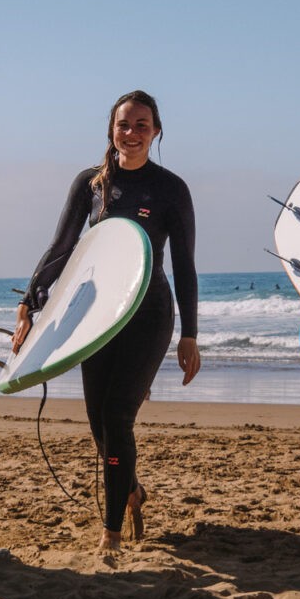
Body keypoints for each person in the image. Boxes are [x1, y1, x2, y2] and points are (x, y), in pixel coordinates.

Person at [11, 90, 201, 558]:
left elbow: (185, 266)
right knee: (99, 423)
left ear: (156, 132)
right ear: (110, 130)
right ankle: (131, 490)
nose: (131, 133)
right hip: (94, 318)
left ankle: (111, 531)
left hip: (148, 314)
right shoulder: (90, 184)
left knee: (117, 417)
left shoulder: (171, 189)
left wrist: (190, 334)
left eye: (141, 125)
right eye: (123, 124)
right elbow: (61, 249)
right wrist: (30, 304)